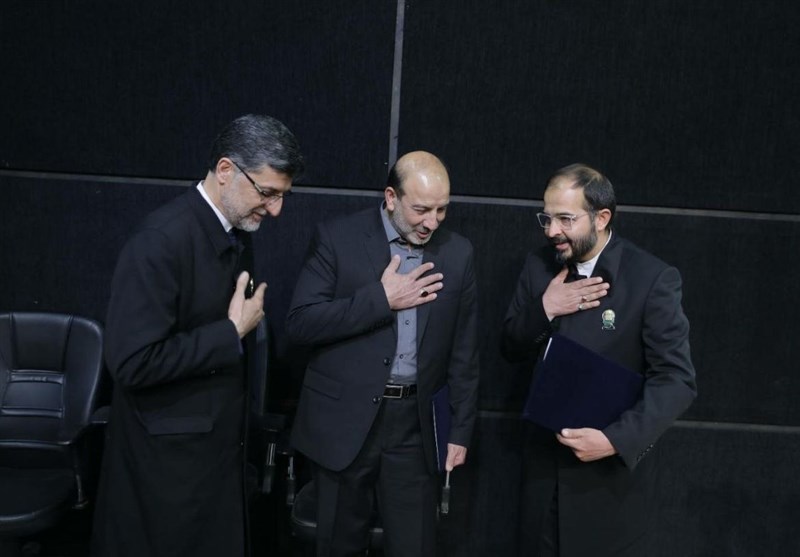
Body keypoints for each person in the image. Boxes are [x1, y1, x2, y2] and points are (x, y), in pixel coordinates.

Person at [91, 114, 304, 557]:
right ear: (225, 170)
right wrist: (231, 332)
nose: (276, 209)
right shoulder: (160, 241)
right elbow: (131, 362)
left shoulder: (237, 230)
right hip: (166, 473)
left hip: (212, 459)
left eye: (283, 196)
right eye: (267, 193)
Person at [286, 151, 479, 557]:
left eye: (442, 210)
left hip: (415, 427)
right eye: (421, 209)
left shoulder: (458, 253)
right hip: (344, 423)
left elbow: (464, 351)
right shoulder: (337, 238)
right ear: (391, 197)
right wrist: (381, 299)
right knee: (338, 546)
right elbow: (301, 323)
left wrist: (459, 430)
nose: (432, 222)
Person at [502, 163, 697, 557]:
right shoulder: (539, 266)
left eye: (565, 219)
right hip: (541, 476)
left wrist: (615, 440)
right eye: (547, 218)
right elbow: (510, 348)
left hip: (607, 486)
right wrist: (545, 308)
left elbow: (676, 380)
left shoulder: (651, 278)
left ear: (602, 218)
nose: (551, 230)